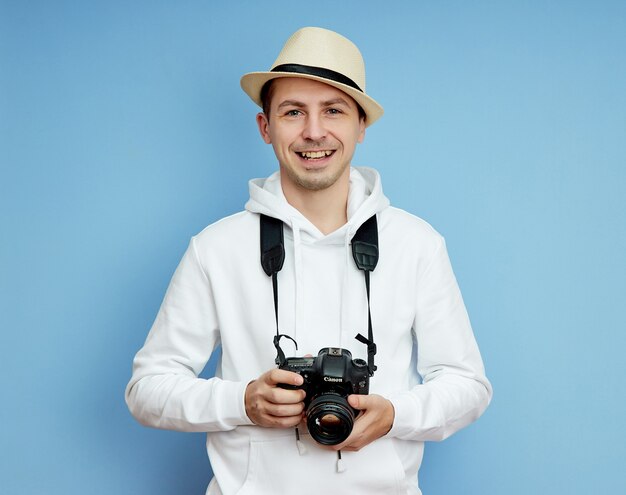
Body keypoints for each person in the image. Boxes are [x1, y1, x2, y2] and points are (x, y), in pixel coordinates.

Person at [126, 26, 492, 495]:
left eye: (334, 110)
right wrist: (243, 400)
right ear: (266, 127)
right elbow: (146, 390)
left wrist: (396, 414)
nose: (314, 131)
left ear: (362, 125)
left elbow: (468, 385)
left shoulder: (416, 244)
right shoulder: (215, 249)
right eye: (293, 112)